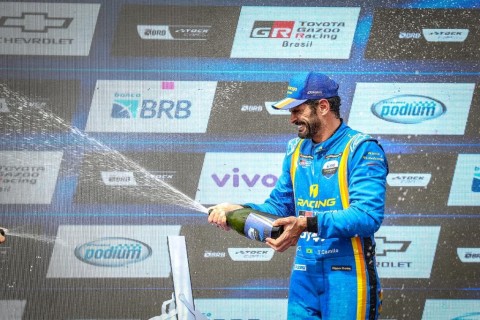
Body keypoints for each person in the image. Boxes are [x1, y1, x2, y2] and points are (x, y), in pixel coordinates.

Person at [208, 71, 388, 319]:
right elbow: (279, 206)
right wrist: (237, 209)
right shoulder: (295, 150)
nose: (292, 119)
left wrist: (305, 223)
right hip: (305, 272)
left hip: (348, 274)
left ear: (323, 106)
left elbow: (367, 216)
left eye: (297, 110)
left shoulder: (362, 149)